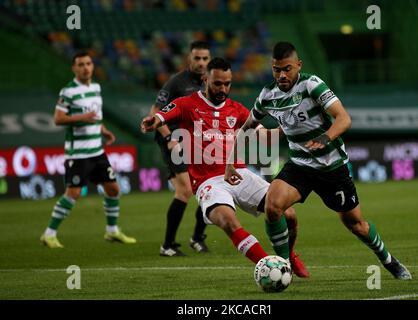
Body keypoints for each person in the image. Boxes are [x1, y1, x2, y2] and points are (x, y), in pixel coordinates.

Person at [225, 42, 412, 280]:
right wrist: (231, 162)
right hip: (300, 165)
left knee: (356, 225)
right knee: (273, 206)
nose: (282, 75)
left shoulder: (312, 85)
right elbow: (247, 128)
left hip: (332, 167)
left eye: (287, 69)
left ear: (298, 66)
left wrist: (325, 138)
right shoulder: (267, 95)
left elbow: (344, 118)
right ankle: (283, 266)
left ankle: (388, 260)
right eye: (276, 70)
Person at [141, 57, 309, 277]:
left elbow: (265, 136)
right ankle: (271, 268)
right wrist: (154, 122)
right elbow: (162, 115)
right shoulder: (186, 104)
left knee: (289, 214)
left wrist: (290, 128)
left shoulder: (237, 110)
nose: (223, 88)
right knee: (228, 222)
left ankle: (289, 255)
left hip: (240, 174)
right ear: (205, 80)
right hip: (208, 182)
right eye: (217, 83)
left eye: (227, 83)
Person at [40, 51, 136, 248]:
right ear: (74, 68)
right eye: (81, 64)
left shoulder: (95, 87)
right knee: (73, 193)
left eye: (88, 63)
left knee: (113, 188)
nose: (85, 67)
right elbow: (58, 119)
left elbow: (95, 116)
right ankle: (49, 234)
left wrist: (104, 131)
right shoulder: (68, 92)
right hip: (78, 154)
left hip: (97, 151)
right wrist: (81, 118)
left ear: (92, 66)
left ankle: (112, 231)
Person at [149, 41, 211, 256]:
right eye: (197, 58)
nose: (201, 62)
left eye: (205, 59)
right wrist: (169, 139)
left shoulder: (210, 83)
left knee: (208, 186)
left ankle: (196, 238)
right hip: (173, 137)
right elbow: (154, 111)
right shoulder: (177, 82)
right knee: (185, 190)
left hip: (194, 140)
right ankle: (167, 245)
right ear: (189, 59)